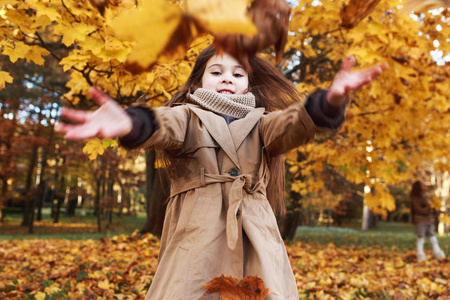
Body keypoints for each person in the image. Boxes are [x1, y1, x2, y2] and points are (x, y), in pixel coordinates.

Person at [56, 46, 386, 299]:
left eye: (237, 73)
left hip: (254, 234)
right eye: (216, 71)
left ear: (247, 85)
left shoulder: (261, 124)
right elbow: (163, 125)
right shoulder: (187, 117)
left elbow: (294, 123)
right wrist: (131, 122)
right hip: (198, 237)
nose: (227, 78)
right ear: (198, 81)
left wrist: (330, 100)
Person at [410, 180, 446, 262]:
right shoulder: (415, 198)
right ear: (419, 187)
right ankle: (420, 254)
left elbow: (432, 208)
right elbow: (418, 209)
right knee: (421, 238)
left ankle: (438, 253)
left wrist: (439, 211)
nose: (425, 186)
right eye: (423, 185)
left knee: (433, 237)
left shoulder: (427, 196)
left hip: (429, 220)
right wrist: (429, 209)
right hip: (420, 221)